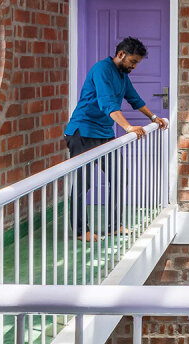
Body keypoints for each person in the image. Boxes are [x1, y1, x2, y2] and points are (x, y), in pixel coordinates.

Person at [64, 37, 167, 241]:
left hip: (104, 133)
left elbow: (134, 98)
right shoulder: (101, 70)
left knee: (120, 176)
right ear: (121, 54)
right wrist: (128, 127)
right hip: (82, 132)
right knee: (83, 183)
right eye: (133, 62)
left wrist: (154, 117)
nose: (134, 66)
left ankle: (113, 226)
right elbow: (107, 103)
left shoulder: (122, 74)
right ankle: (79, 231)